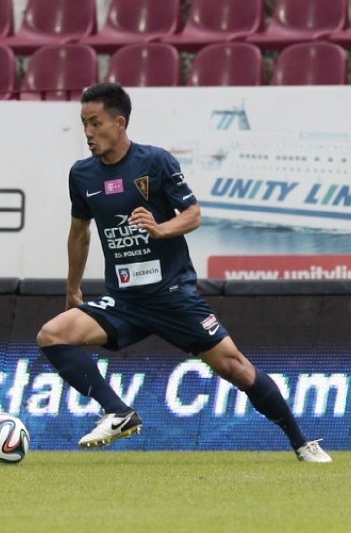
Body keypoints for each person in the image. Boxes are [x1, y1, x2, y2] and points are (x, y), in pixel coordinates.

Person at [36, 82, 331, 463]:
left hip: (172, 295)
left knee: (237, 369)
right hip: (124, 299)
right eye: (84, 124)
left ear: (119, 122)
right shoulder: (82, 175)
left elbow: (193, 214)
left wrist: (160, 228)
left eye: (96, 123)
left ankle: (302, 442)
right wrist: (73, 289)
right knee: (52, 335)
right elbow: (79, 233)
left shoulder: (155, 162)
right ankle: (118, 412)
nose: (89, 133)